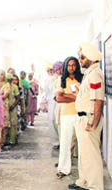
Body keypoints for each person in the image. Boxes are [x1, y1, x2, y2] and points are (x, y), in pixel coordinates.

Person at [68, 43, 104, 190]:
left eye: (82, 57)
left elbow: (98, 100)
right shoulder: (88, 74)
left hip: (89, 119)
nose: (80, 60)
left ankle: (95, 186)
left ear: (91, 57)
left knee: (92, 156)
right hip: (83, 118)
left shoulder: (95, 75)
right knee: (84, 155)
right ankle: (83, 181)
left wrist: (94, 123)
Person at [55, 57, 83, 179]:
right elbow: (59, 98)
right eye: (69, 65)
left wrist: (66, 95)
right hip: (66, 115)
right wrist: (76, 97)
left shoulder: (82, 79)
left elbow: (84, 96)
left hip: (80, 114)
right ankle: (63, 168)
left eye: (73, 65)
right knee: (65, 142)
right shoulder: (62, 80)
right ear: (66, 66)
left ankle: (85, 172)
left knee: (82, 144)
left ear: (77, 66)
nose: (71, 68)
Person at [0, 69, 10, 150]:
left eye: (2, 75)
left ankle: (2, 143)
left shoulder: (6, 84)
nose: (0, 77)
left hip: (3, 106)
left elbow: (5, 96)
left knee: (4, 125)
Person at [6, 73, 20, 146]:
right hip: (5, 108)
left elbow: (18, 98)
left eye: (10, 79)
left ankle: (13, 140)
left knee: (13, 123)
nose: (9, 81)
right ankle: (6, 140)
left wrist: (13, 105)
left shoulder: (14, 87)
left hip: (12, 107)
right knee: (6, 123)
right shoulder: (4, 86)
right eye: (7, 79)